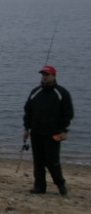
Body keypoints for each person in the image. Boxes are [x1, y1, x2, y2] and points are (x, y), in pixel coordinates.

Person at [23, 66, 74, 195]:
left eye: (47, 74)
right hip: (36, 132)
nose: (44, 76)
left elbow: (68, 113)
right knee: (38, 161)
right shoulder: (36, 92)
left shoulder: (61, 93)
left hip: (54, 133)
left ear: (54, 76)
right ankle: (40, 186)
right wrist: (26, 129)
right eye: (43, 74)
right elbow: (28, 111)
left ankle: (61, 184)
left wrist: (65, 130)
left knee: (52, 161)